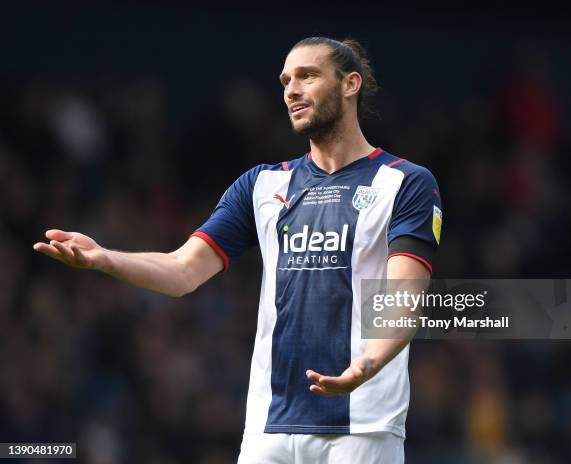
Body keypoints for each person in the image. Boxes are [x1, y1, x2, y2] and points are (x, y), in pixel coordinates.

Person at [33, 37, 442, 463]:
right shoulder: (262, 185)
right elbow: (182, 269)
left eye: (308, 76)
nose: (291, 90)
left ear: (350, 83)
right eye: (285, 80)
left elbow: (403, 299)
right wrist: (105, 258)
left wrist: (369, 363)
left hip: (363, 424)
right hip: (269, 428)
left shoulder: (405, 182)